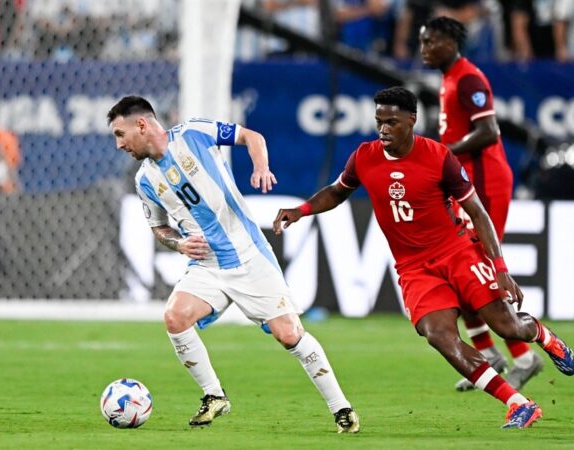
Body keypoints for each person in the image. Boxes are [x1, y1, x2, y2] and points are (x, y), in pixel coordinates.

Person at [273, 86, 574, 429]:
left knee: (509, 327)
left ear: (412, 120)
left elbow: (478, 213)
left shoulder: (438, 157)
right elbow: (338, 191)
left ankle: (544, 336)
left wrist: (500, 268)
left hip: (457, 252)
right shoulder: (364, 156)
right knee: (438, 335)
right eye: (378, 121)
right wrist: (301, 210)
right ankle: (518, 403)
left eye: (391, 122)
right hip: (414, 267)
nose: (383, 129)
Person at [106, 96, 359, 433]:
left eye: (120, 134)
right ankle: (214, 396)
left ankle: (340, 408)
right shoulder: (145, 181)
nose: (119, 144)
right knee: (175, 316)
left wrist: (261, 166)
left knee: (289, 334)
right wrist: (178, 243)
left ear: (142, 124)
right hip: (207, 265)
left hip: (248, 255)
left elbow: (252, 137)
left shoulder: (194, 132)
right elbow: (158, 228)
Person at [419, 16, 543, 393]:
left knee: (475, 269)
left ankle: (524, 357)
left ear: (450, 43)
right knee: (460, 272)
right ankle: (490, 354)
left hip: (484, 183)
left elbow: (489, 131)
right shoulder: (449, 78)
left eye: (430, 42)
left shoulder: (469, 78)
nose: (424, 49)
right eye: (422, 42)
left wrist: (443, 156)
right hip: (466, 182)